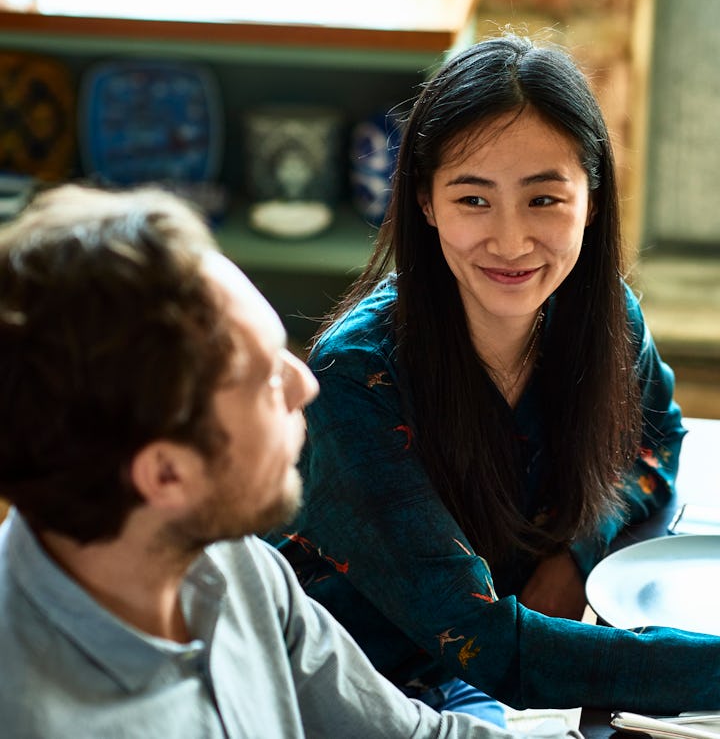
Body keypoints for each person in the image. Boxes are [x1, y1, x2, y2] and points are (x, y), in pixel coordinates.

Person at [0, 183, 584, 739]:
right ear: (166, 474)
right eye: (264, 381)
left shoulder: (235, 561)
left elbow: (408, 732)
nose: (305, 382)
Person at [269, 33, 720, 720]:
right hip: (351, 694)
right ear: (425, 201)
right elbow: (486, 647)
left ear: (592, 200)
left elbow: (656, 442)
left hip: (507, 668)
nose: (510, 243)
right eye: (473, 200)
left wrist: (575, 555)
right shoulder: (356, 377)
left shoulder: (603, 315)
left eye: (544, 200)